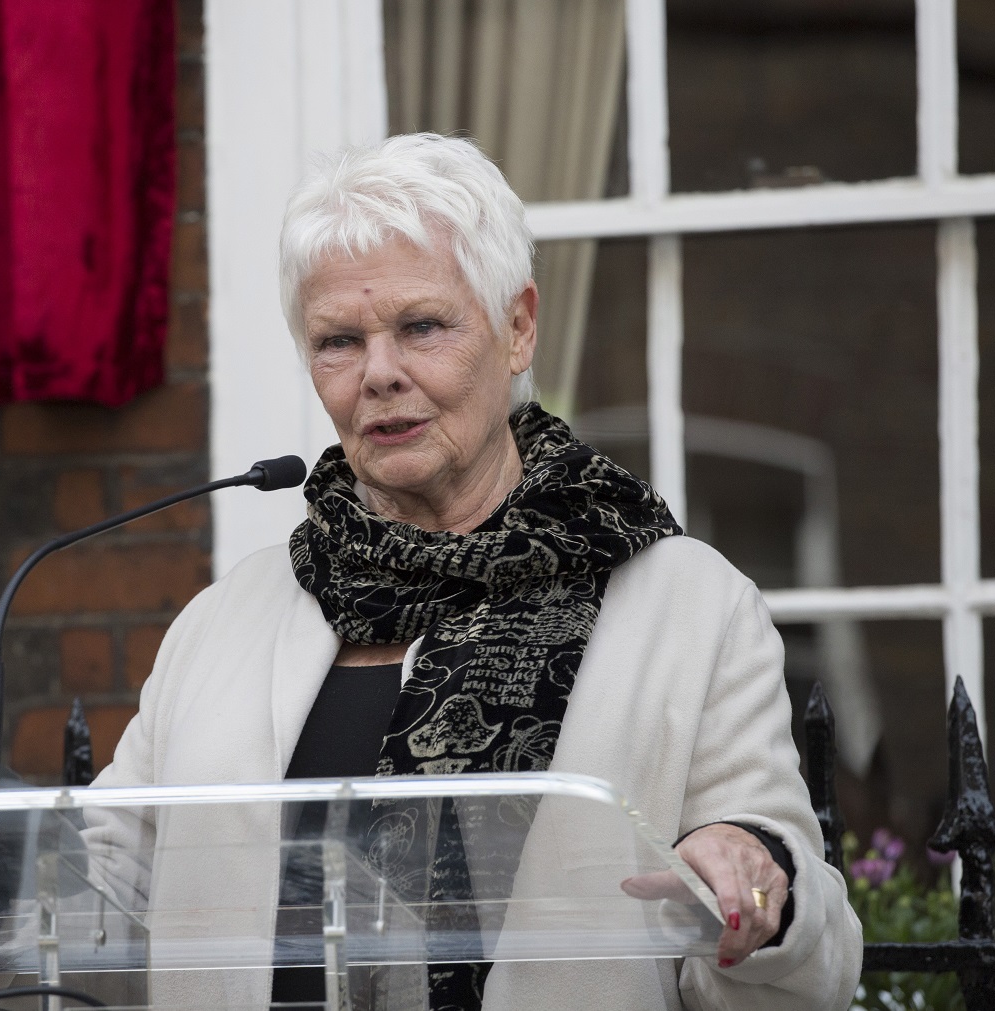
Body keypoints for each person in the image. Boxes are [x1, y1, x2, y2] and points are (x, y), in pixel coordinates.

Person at [87, 133, 862, 1010]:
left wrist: (761, 885)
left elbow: (813, 969)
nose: (380, 374)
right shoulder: (225, 620)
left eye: (421, 326)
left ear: (519, 325)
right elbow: (102, 890)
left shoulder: (688, 605)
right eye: (338, 340)